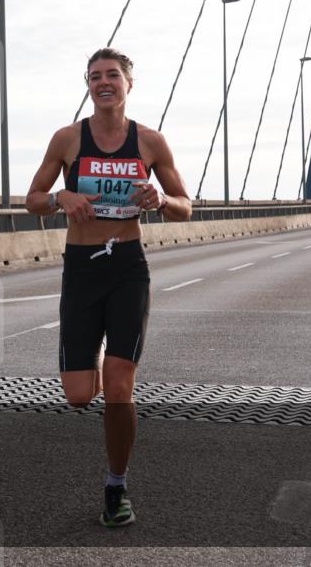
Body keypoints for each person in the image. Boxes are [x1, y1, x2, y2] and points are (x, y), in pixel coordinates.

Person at [25, 48, 192, 527]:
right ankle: (93, 359)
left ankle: (116, 488)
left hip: (128, 269)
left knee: (120, 387)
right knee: (80, 394)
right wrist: (61, 196)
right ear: (88, 85)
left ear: (128, 84)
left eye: (112, 75)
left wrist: (160, 200)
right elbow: (32, 198)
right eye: (95, 76)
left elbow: (186, 204)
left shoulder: (151, 143)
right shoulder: (67, 139)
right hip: (81, 268)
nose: (104, 83)